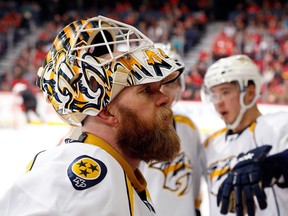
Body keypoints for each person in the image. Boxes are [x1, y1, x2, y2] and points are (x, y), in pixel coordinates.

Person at [0, 15, 185, 215]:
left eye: (160, 87)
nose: (164, 98)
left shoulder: (115, 172)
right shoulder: (78, 177)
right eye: (146, 90)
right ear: (105, 110)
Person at [202, 54, 288, 216]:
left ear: (249, 93)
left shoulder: (278, 126)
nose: (218, 102)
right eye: (214, 95)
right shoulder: (211, 144)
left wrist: (273, 166)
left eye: (225, 92)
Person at [139, 43, 206, 216]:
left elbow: (196, 181)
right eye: (155, 82)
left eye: (170, 82)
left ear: (180, 87)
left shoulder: (188, 128)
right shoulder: (130, 128)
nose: (162, 91)